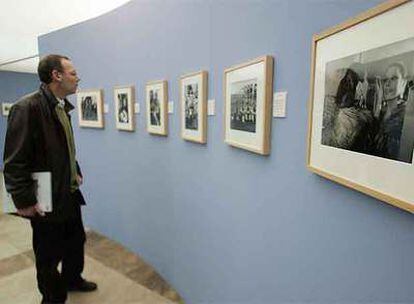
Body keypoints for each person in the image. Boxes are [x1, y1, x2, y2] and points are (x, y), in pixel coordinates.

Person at [3, 54, 97, 304]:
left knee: (75, 241)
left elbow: (65, 146)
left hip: (68, 191)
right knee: (48, 253)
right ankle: (53, 298)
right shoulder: (27, 108)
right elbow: (14, 161)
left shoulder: (61, 106)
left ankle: (72, 278)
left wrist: (74, 168)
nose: (77, 78)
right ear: (57, 75)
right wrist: (23, 201)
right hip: (45, 196)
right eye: (73, 73)